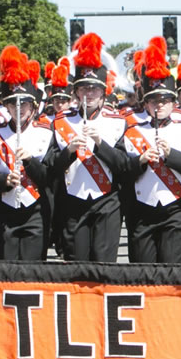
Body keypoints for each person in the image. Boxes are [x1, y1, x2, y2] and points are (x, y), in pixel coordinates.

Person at [48, 32, 132, 262]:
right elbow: (50, 167)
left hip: (107, 203)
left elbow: (125, 166)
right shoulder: (60, 121)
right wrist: (69, 151)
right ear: (75, 91)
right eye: (83, 88)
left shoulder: (117, 122)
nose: (89, 94)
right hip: (72, 202)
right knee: (76, 267)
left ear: (103, 91)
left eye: (94, 89)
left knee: (104, 268)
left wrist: (100, 144)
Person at [122, 38, 181, 263]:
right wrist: (139, 161)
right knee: (143, 275)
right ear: (146, 104)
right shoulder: (131, 130)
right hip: (142, 211)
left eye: (165, 100)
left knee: (171, 273)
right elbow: (119, 171)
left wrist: (172, 156)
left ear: (173, 102)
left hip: (177, 211)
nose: (159, 105)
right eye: (153, 101)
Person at [0, 47, 54, 261]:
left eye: (25, 104)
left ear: (33, 107)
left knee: (33, 273)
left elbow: (50, 179)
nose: (19, 108)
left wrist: (30, 161)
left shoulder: (46, 134)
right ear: (6, 106)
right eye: (13, 103)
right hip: (5, 211)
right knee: (6, 272)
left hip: (36, 211)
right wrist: (4, 180)